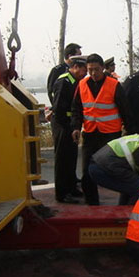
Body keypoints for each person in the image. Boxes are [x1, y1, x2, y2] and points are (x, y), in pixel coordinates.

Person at [71, 53, 131, 205]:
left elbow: (125, 109)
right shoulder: (82, 84)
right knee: (87, 171)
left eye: (96, 69)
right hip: (90, 133)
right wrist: (76, 127)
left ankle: (125, 200)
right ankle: (92, 202)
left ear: (103, 68)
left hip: (111, 134)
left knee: (117, 169)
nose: (93, 73)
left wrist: (128, 130)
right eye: (90, 70)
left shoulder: (114, 85)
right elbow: (76, 108)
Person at [49, 55, 87, 202]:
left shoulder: (75, 81)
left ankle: (71, 188)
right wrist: (69, 126)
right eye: (83, 71)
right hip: (62, 124)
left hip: (70, 125)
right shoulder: (64, 81)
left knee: (71, 158)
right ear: (75, 67)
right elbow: (58, 108)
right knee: (62, 159)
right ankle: (62, 193)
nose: (84, 74)